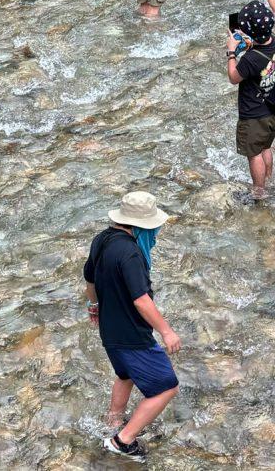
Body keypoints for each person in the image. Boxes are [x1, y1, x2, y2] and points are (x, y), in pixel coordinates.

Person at [83, 191, 180, 463]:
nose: (155, 234)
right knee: (166, 387)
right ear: (140, 226)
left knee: (124, 375)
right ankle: (122, 440)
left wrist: (94, 307)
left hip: (110, 330)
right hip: (132, 335)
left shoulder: (101, 239)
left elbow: (89, 277)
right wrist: (166, 331)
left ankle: (113, 422)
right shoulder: (130, 254)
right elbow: (141, 300)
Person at [227, 1, 275, 200]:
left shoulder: (251, 59)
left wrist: (231, 51)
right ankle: (268, 179)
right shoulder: (273, 42)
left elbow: (234, 77)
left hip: (252, 116)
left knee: (254, 154)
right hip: (270, 111)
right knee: (265, 146)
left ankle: (259, 192)